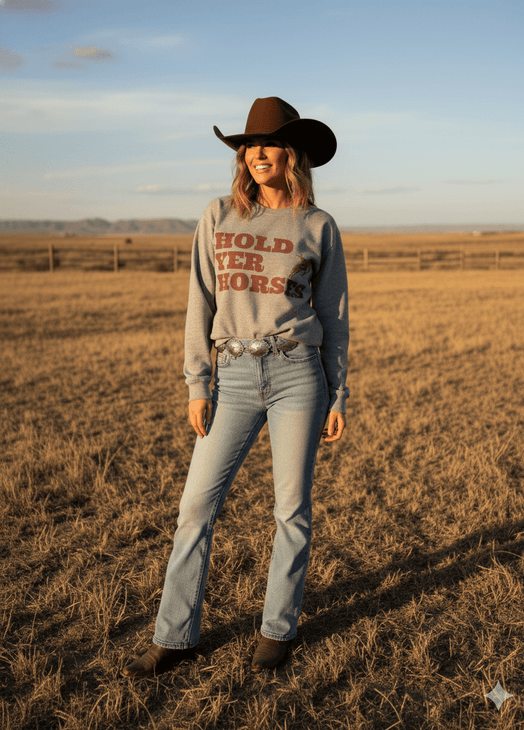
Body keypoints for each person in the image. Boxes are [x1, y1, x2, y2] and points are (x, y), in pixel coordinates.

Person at [122, 97, 350, 678]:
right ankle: (175, 637)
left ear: (293, 155)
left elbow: (334, 316)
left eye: (270, 144)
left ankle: (278, 629)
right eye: (250, 146)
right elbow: (199, 300)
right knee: (196, 505)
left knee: (291, 509)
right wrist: (197, 383)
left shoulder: (319, 226)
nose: (258, 154)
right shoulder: (219, 215)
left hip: (298, 373)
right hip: (232, 375)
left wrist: (338, 394)